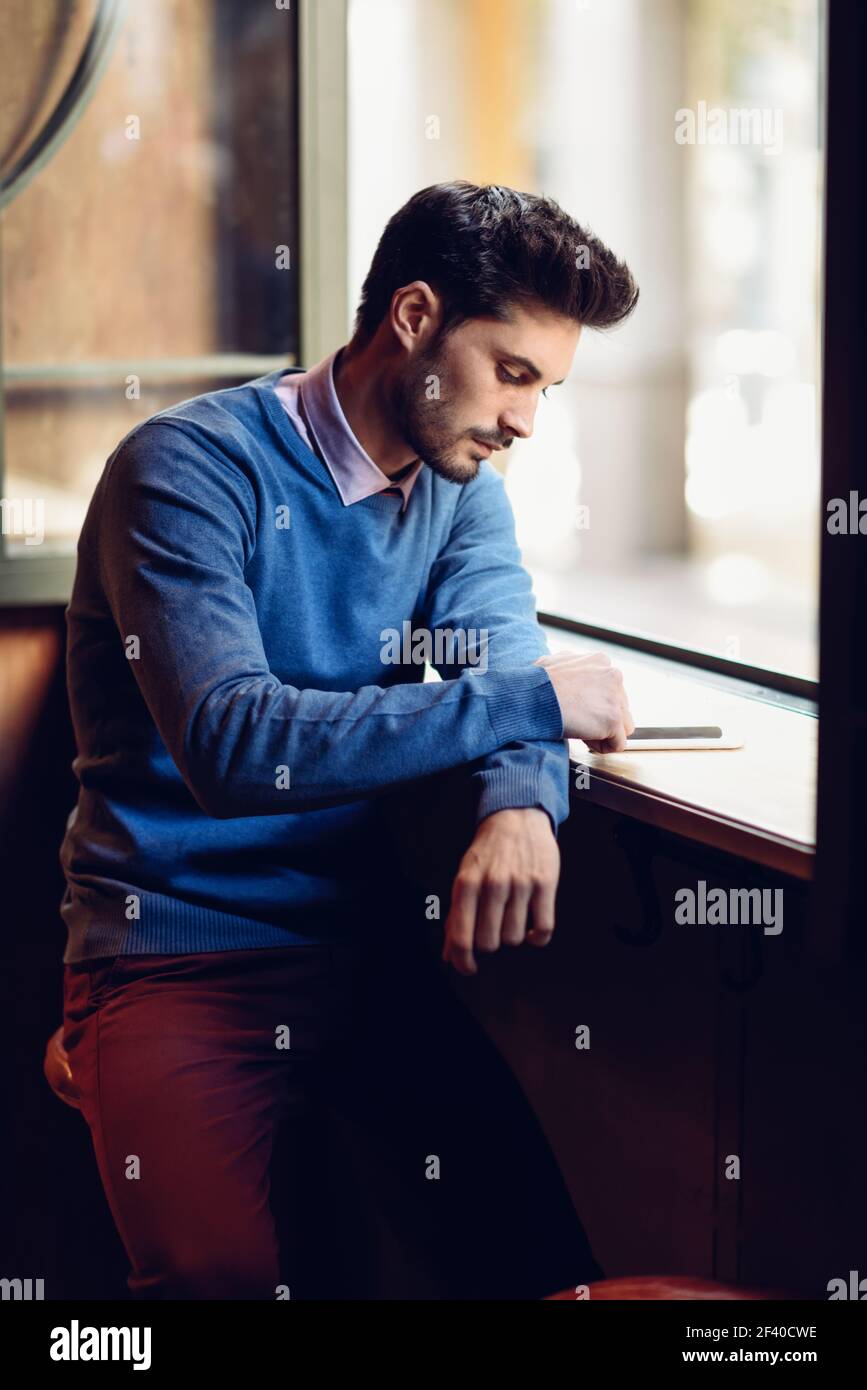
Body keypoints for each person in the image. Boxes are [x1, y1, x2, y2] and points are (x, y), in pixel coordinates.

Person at [60, 180, 637, 1299]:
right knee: (214, 1281)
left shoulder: (461, 488)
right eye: (513, 372)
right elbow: (236, 744)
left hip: (359, 942)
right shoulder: (186, 469)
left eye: (546, 388)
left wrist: (524, 797)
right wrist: (529, 710)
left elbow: (509, 664)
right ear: (413, 318)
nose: (525, 421)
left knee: (540, 1259)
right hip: (171, 951)